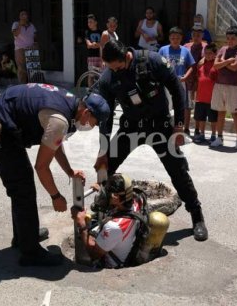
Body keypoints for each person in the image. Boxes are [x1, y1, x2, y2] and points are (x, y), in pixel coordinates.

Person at [0, 83, 110, 267]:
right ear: (86, 112)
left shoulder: (70, 105)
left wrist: (69, 172)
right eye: (93, 123)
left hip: (6, 124)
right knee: (22, 188)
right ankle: (30, 253)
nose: (91, 127)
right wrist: (56, 196)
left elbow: (54, 143)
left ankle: (24, 236)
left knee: (21, 186)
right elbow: (42, 166)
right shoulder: (60, 120)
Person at [93, 39, 208, 242]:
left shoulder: (152, 60)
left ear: (126, 57)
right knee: (105, 166)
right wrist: (103, 149)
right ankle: (101, 210)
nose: (115, 72)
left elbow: (177, 89)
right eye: (111, 68)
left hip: (160, 126)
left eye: (117, 67)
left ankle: (197, 216)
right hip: (132, 126)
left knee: (178, 171)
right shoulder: (109, 76)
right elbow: (106, 114)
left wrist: (179, 125)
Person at [71, 173, 143, 268]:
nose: (104, 194)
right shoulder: (136, 200)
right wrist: (101, 190)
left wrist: (82, 225)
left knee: (88, 234)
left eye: (107, 192)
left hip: (108, 264)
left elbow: (93, 254)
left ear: (116, 196)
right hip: (121, 243)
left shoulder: (114, 226)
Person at [211, 26, 237, 149]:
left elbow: (235, 67)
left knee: (235, 113)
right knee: (220, 112)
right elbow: (215, 66)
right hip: (219, 84)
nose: (230, 41)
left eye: (233, 38)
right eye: (228, 38)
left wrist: (223, 62)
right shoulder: (223, 48)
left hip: (233, 86)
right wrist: (228, 61)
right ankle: (219, 137)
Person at [158, 27, 196, 138]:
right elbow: (158, 65)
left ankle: (182, 129)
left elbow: (192, 66)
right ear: (169, 38)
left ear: (181, 39)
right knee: (166, 106)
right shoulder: (163, 50)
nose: (175, 40)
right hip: (166, 83)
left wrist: (186, 77)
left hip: (180, 82)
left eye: (178, 38)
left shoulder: (185, 51)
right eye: (173, 37)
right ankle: (166, 128)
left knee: (182, 107)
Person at [184, 25, 208, 137]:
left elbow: (208, 59)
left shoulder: (206, 47)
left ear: (202, 35)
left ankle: (197, 129)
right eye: (194, 35)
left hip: (201, 81)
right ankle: (186, 128)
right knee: (188, 105)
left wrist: (202, 60)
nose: (196, 37)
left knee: (199, 105)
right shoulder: (186, 46)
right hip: (188, 79)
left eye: (198, 35)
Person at [192, 43, 218, 144]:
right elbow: (197, 79)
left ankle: (213, 135)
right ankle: (202, 134)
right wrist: (194, 92)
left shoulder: (216, 65)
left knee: (213, 119)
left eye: (210, 53)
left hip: (212, 98)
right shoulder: (201, 65)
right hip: (200, 97)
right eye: (206, 53)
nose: (208, 55)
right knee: (201, 118)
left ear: (215, 54)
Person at [12, 10, 37, 83]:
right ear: (19, 17)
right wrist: (20, 24)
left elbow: (35, 36)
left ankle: (31, 83)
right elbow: (15, 34)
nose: (24, 16)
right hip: (20, 49)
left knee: (32, 68)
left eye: (25, 14)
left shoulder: (31, 25)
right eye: (22, 15)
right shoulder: (16, 24)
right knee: (21, 68)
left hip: (31, 48)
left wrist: (35, 44)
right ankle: (22, 85)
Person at [85, 14, 103, 86]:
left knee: (101, 76)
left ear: (96, 22)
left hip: (100, 56)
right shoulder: (87, 32)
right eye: (88, 22)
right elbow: (88, 45)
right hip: (91, 56)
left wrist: (95, 44)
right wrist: (96, 44)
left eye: (91, 22)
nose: (89, 24)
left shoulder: (101, 32)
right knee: (91, 75)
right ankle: (90, 91)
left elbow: (102, 44)